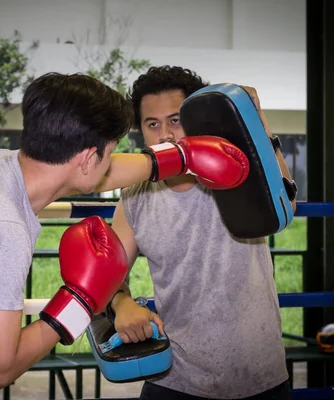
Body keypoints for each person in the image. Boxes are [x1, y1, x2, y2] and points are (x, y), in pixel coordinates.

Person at [0, 72, 249, 400]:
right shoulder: (1, 229)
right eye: (108, 153)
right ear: (89, 157)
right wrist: (81, 302)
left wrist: (180, 156)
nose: (111, 165)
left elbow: (100, 174)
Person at [106, 66, 296, 400]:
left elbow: (285, 206)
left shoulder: (240, 172)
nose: (165, 134)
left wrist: (256, 120)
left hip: (261, 377)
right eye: (153, 124)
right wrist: (122, 303)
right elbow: (108, 273)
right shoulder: (135, 197)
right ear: (142, 133)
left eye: (175, 120)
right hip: (175, 380)